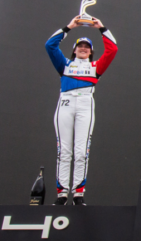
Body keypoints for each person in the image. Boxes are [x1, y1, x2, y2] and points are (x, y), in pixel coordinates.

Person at [45, 16, 117, 205]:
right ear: (74, 50)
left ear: (91, 51)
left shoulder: (96, 67)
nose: (83, 48)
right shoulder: (65, 65)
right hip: (66, 104)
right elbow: (50, 46)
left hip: (86, 105)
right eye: (80, 46)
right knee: (64, 150)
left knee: (81, 151)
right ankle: (62, 194)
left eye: (86, 47)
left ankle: (78, 193)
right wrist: (69, 27)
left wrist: (101, 28)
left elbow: (112, 50)